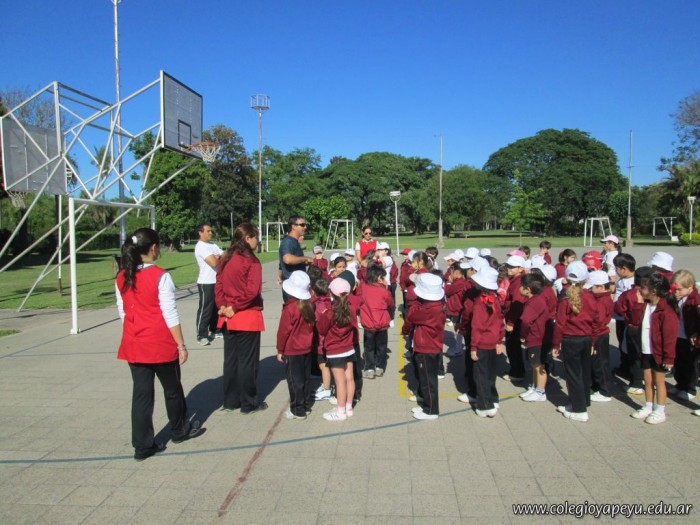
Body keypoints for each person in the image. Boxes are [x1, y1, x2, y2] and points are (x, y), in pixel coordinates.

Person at [116, 228, 202, 461]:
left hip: (134, 342)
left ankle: (142, 445)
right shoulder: (160, 276)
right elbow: (169, 314)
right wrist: (181, 344)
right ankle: (179, 429)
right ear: (153, 248)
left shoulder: (122, 276)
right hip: (159, 342)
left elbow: (123, 311)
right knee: (172, 389)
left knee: (141, 395)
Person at [216, 223, 267, 414]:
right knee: (247, 362)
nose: (257, 241)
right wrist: (235, 307)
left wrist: (222, 305)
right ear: (247, 238)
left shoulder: (225, 258)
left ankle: (231, 400)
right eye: (255, 237)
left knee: (231, 360)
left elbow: (218, 284)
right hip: (246, 315)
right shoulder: (251, 261)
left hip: (227, 316)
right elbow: (252, 291)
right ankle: (248, 402)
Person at [631, 272, 678, 424]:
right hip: (646, 349)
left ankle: (660, 410)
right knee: (647, 380)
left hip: (658, 352)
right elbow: (635, 321)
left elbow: (670, 336)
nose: (640, 290)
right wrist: (639, 303)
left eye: (643, 288)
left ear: (654, 291)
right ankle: (648, 405)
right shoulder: (645, 305)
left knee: (659, 381)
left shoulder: (666, 310)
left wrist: (669, 357)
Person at [553, 261, 597, 422]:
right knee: (584, 372)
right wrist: (593, 341)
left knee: (573, 375)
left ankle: (579, 410)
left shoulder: (565, 299)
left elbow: (560, 324)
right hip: (586, 339)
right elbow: (595, 321)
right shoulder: (590, 298)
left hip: (571, 340)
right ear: (586, 279)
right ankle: (581, 402)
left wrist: (555, 344)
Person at [402, 273, 446, 420]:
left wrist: (415, 304)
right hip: (430, 345)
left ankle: (431, 410)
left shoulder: (427, 310)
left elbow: (411, 317)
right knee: (425, 378)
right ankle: (424, 403)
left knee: (428, 380)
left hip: (426, 347)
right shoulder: (437, 305)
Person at [317, 278, 358, 421]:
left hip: (335, 350)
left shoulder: (330, 312)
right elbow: (354, 326)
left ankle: (340, 411)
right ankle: (348, 407)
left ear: (331, 294)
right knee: (350, 378)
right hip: (349, 348)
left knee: (340, 382)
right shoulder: (351, 309)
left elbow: (321, 329)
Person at [277, 271, 315, 420]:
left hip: (292, 349)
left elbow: (283, 331)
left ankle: (297, 409)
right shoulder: (309, 306)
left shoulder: (290, 308)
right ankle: (305, 404)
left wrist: (280, 349)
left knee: (294, 381)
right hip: (307, 347)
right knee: (305, 378)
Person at [468, 267, 505, 417]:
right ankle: (493, 398)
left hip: (482, 343)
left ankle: (485, 406)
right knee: (490, 374)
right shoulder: (495, 299)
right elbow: (500, 321)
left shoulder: (479, 303)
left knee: (480, 375)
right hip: (493, 341)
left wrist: (473, 347)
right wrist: (499, 340)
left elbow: (477, 327)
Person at [519, 273, 550, 402]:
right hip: (536, 337)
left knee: (538, 366)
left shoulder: (534, 302)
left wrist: (523, 335)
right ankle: (535, 387)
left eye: (522, 286)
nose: (519, 288)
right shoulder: (535, 300)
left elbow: (526, 321)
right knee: (534, 364)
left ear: (528, 289)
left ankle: (541, 391)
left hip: (537, 338)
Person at [669, 270, 700, 401]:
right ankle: (680, 384)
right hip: (678, 335)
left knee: (690, 364)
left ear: (690, 287)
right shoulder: (678, 298)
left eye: (679, 290)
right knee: (678, 362)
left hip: (689, 337)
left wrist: (696, 333)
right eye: (674, 290)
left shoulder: (695, 300)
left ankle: (690, 388)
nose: (676, 292)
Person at [359, 262, 394, 379]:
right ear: (379, 278)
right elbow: (390, 303)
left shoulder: (364, 288)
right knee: (381, 346)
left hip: (369, 323)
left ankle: (369, 367)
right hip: (382, 323)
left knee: (369, 347)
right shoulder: (384, 291)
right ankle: (380, 366)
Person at [194, 223, 224, 346]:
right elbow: (213, 262)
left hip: (217, 281)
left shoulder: (213, 245)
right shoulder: (201, 247)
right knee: (206, 309)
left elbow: (225, 255)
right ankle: (201, 335)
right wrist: (218, 257)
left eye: (211, 231)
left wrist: (218, 256)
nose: (211, 233)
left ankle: (214, 330)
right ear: (200, 233)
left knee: (216, 307)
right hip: (206, 282)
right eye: (208, 231)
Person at [588, 270, 615, 403]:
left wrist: (592, 342)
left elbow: (597, 322)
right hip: (598, 334)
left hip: (598, 335)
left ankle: (605, 391)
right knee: (595, 363)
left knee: (600, 364)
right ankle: (597, 386)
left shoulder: (602, 301)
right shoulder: (601, 298)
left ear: (600, 287)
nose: (589, 290)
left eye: (592, 287)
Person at [279, 215, 314, 301]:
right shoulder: (288, 241)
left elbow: (290, 261)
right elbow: (287, 259)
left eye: (305, 225)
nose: (305, 227)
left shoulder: (294, 242)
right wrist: (305, 258)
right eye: (302, 225)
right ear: (293, 226)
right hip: (292, 289)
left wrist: (304, 263)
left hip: (298, 288)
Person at [311, 278, 333, 401]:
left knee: (323, 366)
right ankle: (326, 385)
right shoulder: (330, 302)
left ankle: (326, 388)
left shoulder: (316, 305)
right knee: (326, 364)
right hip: (330, 339)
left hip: (321, 341)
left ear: (314, 291)